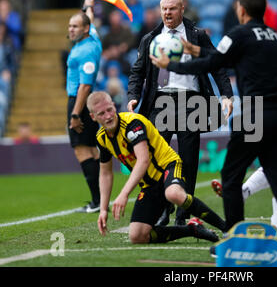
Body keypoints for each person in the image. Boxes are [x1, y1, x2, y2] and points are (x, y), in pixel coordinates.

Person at [150, 0, 277, 267]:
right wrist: (191, 48)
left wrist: (172, 64)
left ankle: (236, 241)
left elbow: (213, 61)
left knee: (231, 177)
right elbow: (223, 56)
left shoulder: (238, 34)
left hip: (255, 112)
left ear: (242, 10)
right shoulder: (273, 37)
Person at [127, 0, 234, 226]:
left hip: (191, 102)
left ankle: (183, 213)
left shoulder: (197, 36)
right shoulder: (151, 38)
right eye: (164, 9)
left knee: (188, 159)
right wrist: (133, 97)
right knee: (158, 159)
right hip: (160, 102)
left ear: (182, 9)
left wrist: (226, 95)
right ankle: (163, 210)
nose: (167, 13)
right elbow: (138, 72)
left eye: (172, 9)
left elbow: (218, 66)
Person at [87, 91, 226, 244]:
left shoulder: (132, 123)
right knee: (137, 237)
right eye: (101, 113)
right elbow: (106, 174)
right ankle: (192, 229)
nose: (108, 116)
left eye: (109, 110)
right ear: (93, 117)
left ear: (114, 106)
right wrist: (103, 209)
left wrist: (124, 194)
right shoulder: (101, 139)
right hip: (149, 184)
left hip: (168, 166)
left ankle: (226, 227)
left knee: (174, 194)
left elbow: (143, 160)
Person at [66, 0, 102, 213]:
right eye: (69, 26)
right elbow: (90, 19)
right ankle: (100, 198)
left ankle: (97, 201)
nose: (70, 30)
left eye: (75, 26)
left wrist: (76, 114)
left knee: (82, 150)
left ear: (85, 29)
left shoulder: (85, 51)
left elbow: (85, 86)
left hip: (80, 102)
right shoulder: (93, 39)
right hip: (86, 103)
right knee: (91, 150)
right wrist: (89, 6)